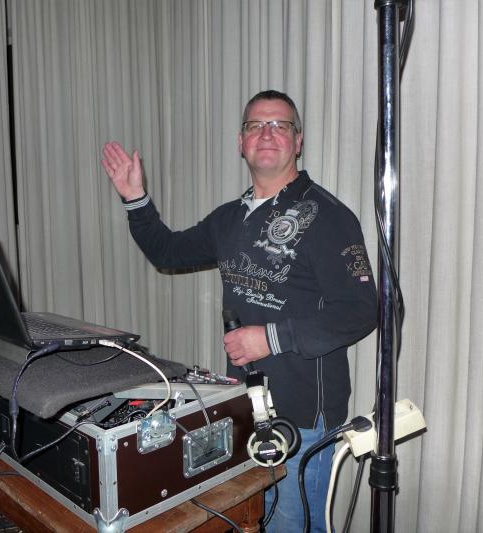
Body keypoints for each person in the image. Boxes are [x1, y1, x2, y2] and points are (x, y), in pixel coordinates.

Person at [101, 90, 377, 532]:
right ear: (241, 142)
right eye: (255, 125)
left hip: (304, 415)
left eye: (279, 125)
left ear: (298, 141)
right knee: (253, 519)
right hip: (246, 405)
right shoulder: (231, 217)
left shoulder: (329, 217)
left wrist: (269, 337)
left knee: (292, 525)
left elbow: (361, 310)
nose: (266, 133)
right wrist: (135, 199)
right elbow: (168, 251)